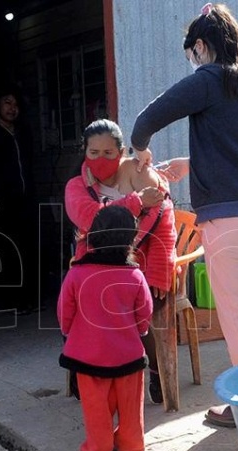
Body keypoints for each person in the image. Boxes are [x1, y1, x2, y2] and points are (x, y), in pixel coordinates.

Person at [131, 3, 238, 428]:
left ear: (201, 46)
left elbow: (146, 120)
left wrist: (141, 150)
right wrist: (191, 163)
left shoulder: (209, 79)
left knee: (237, 315)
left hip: (230, 220)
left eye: (191, 52)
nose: (192, 60)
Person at [64, 119, 176, 404]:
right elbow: (92, 219)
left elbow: (164, 215)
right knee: (87, 297)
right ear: (84, 152)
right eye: (93, 153)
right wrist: (136, 202)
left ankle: (154, 370)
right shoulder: (76, 186)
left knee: (148, 298)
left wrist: (162, 266)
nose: (100, 160)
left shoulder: (139, 172)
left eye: (108, 153)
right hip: (94, 263)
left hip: (140, 262)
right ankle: (83, 368)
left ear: (122, 151)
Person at [58, 205, 153, 451]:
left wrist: (68, 332)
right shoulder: (135, 275)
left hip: (89, 357)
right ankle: (132, 446)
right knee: (130, 405)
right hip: (129, 356)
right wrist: (140, 331)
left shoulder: (77, 273)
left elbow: (65, 311)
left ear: (93, 234)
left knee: (96, 407)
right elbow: (145, 312)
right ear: (132, 238)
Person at [0, 84, 40, 315]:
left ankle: (29, 298)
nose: (12, 108)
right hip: (2, 205)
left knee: (28, 249)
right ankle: (11, 301)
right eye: (7, 103)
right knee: (6, 252)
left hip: (25, 201)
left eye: (15, 104)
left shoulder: (22, 132)